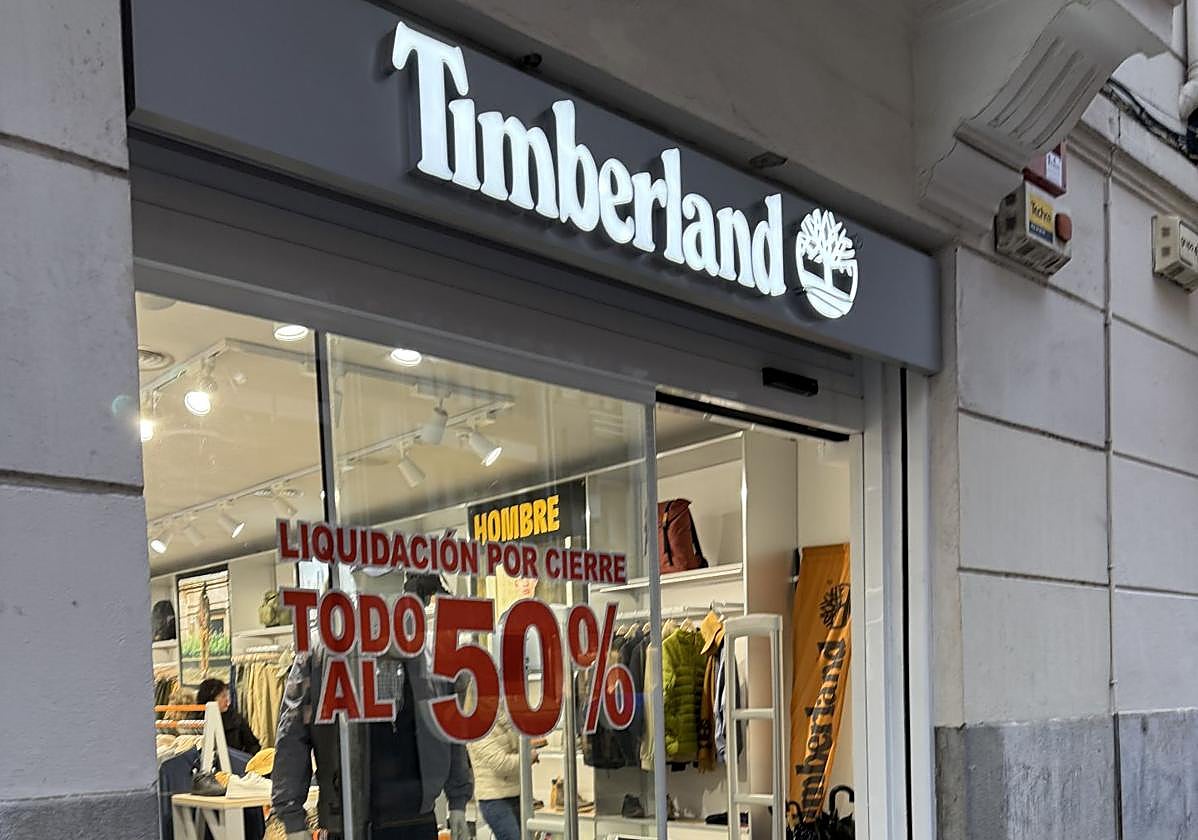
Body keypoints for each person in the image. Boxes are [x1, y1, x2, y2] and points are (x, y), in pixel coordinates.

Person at [467, 714, 537, 840]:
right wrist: (529, 757)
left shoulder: (507, 720)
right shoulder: (478, 727)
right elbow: (501, 764)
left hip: (517, 793)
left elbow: (524, 745)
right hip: (495, 799)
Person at [196, 677, 261, 755]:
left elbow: (253, 746)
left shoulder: (236, 720)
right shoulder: (195, 722)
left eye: (227, 696)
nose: (227, 700)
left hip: (235, 761)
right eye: (223, 696)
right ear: (211, 699)